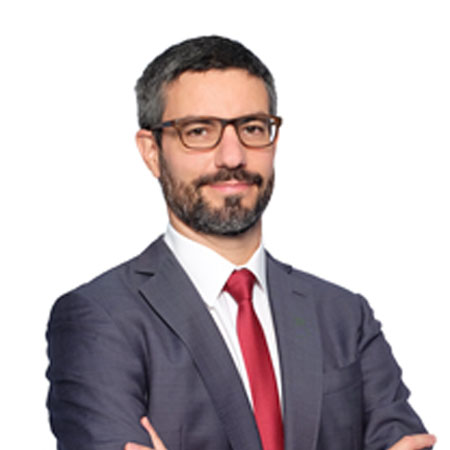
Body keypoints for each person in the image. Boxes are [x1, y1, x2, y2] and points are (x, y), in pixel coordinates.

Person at [46, 36, 436, 450]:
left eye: (252, 128)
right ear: (152, 152)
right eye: (199, 131)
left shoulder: (344, 316)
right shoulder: (100, 319)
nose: (232, 157)